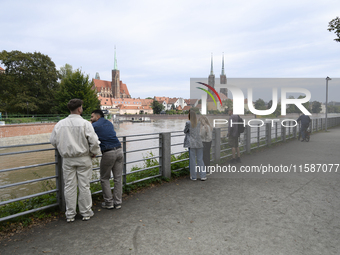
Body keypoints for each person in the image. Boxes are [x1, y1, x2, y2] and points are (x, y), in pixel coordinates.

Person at [50, 99, 101, 222]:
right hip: (83, 158)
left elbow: (53, 141)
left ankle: (70, 214)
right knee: (84, 186)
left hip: (67, 159)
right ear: (79, 109)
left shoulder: (60, 124)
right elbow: (94, 142)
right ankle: (86, 212)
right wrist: (93, 152)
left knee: (69, 186)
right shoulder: (85, 124)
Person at [91, 109, 123, 210]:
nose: (90, 119)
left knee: (104, 178)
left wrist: (93, 152)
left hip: (108, 152)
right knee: (118, 178)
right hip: (119, 150)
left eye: (92, 117)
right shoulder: (109, 123)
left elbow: (91, 140)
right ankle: (118, 202)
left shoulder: (94, 126)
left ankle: (109, 203)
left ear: (97, 116)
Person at [188, 111, 206, 181]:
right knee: (200, 159)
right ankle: (203, 176)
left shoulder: (188, 123)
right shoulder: (199, 123)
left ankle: (194, 176)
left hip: (192, 143)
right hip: (199, 142)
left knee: (192, 160)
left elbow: (185, 131)